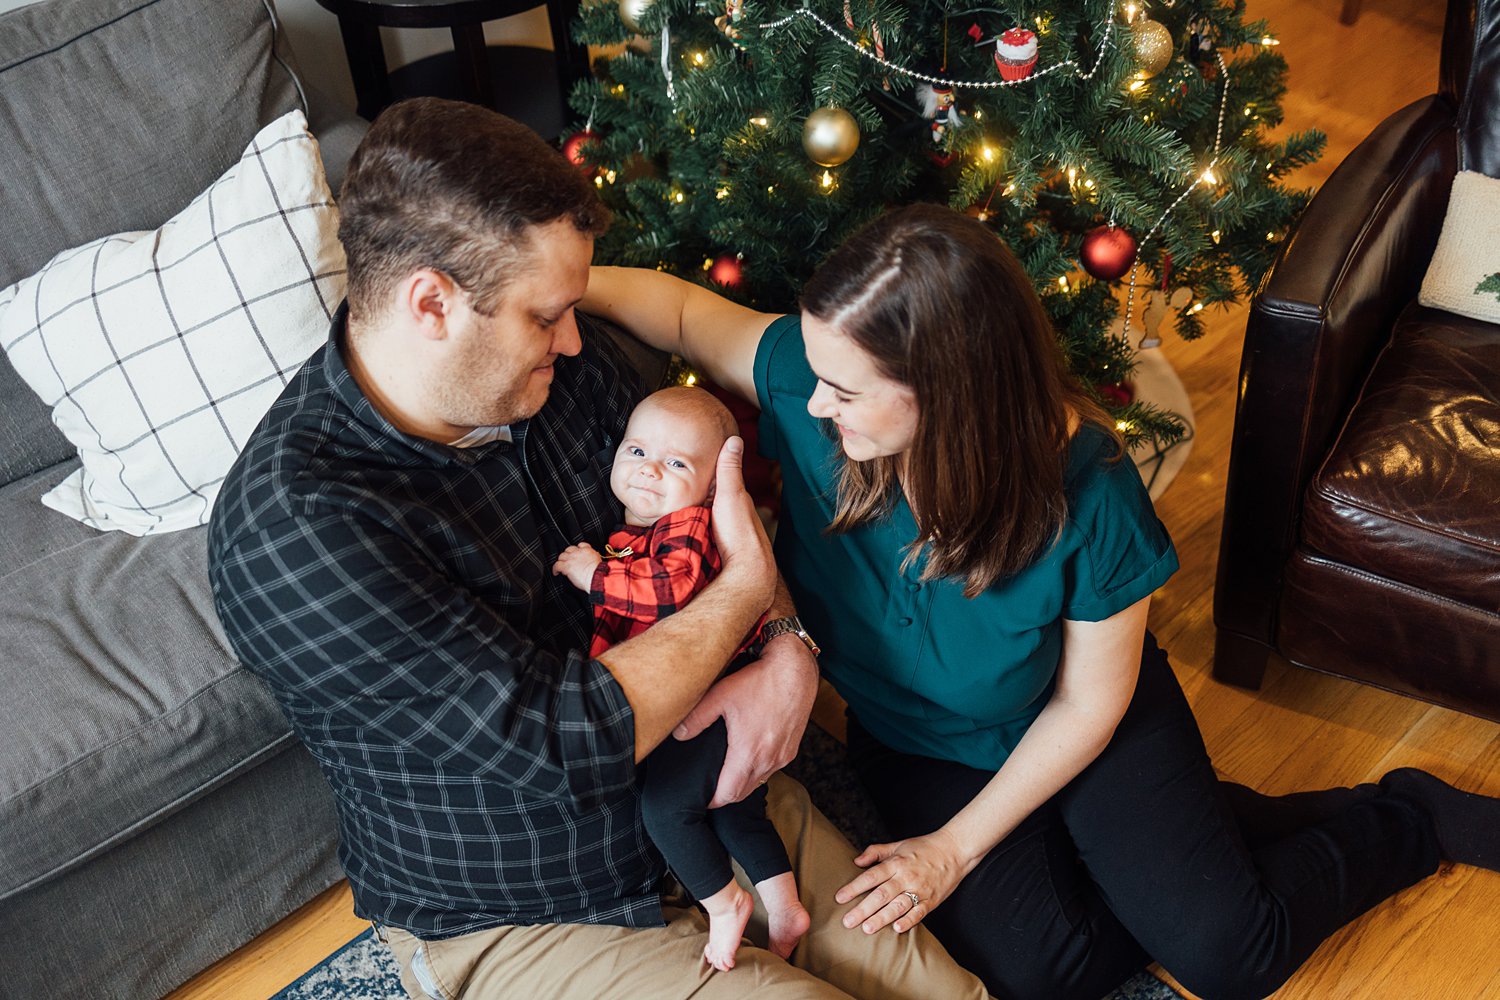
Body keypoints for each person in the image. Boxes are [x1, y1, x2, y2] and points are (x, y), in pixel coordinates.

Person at [580, 201, 1500, 1000]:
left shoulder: (1089, 491)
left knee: (1230, 957)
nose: (812, 406)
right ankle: (1209, 832)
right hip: (919, 740)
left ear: (949, 394)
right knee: (1040, 977)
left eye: (845, 391)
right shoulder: (802, 379)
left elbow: (1090, 704)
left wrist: (955, 850)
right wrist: (553, 286)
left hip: (1080, 718)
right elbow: (679, 309)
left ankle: (1407, 818)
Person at [207, 98, 991, 1000]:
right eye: (546, 317)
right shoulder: (300, 531)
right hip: (522, 903)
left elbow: (708, 520)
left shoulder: (563, 374)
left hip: (708, 789)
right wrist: (750, 594)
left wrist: (787, 650)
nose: (576, 340)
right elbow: (572, 740)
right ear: (432, 303)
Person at [552, 385, 811, 971]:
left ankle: (724, 907)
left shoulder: (687, 529)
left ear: (713, 488)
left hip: (717, 693)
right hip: (704, 690)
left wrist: (596, 574)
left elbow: (671, 598)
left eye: (676, 463)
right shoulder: (640, 532)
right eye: (636, 451)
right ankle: (786, 905)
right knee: (736, 806)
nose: (648, 471)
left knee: (666, 809)